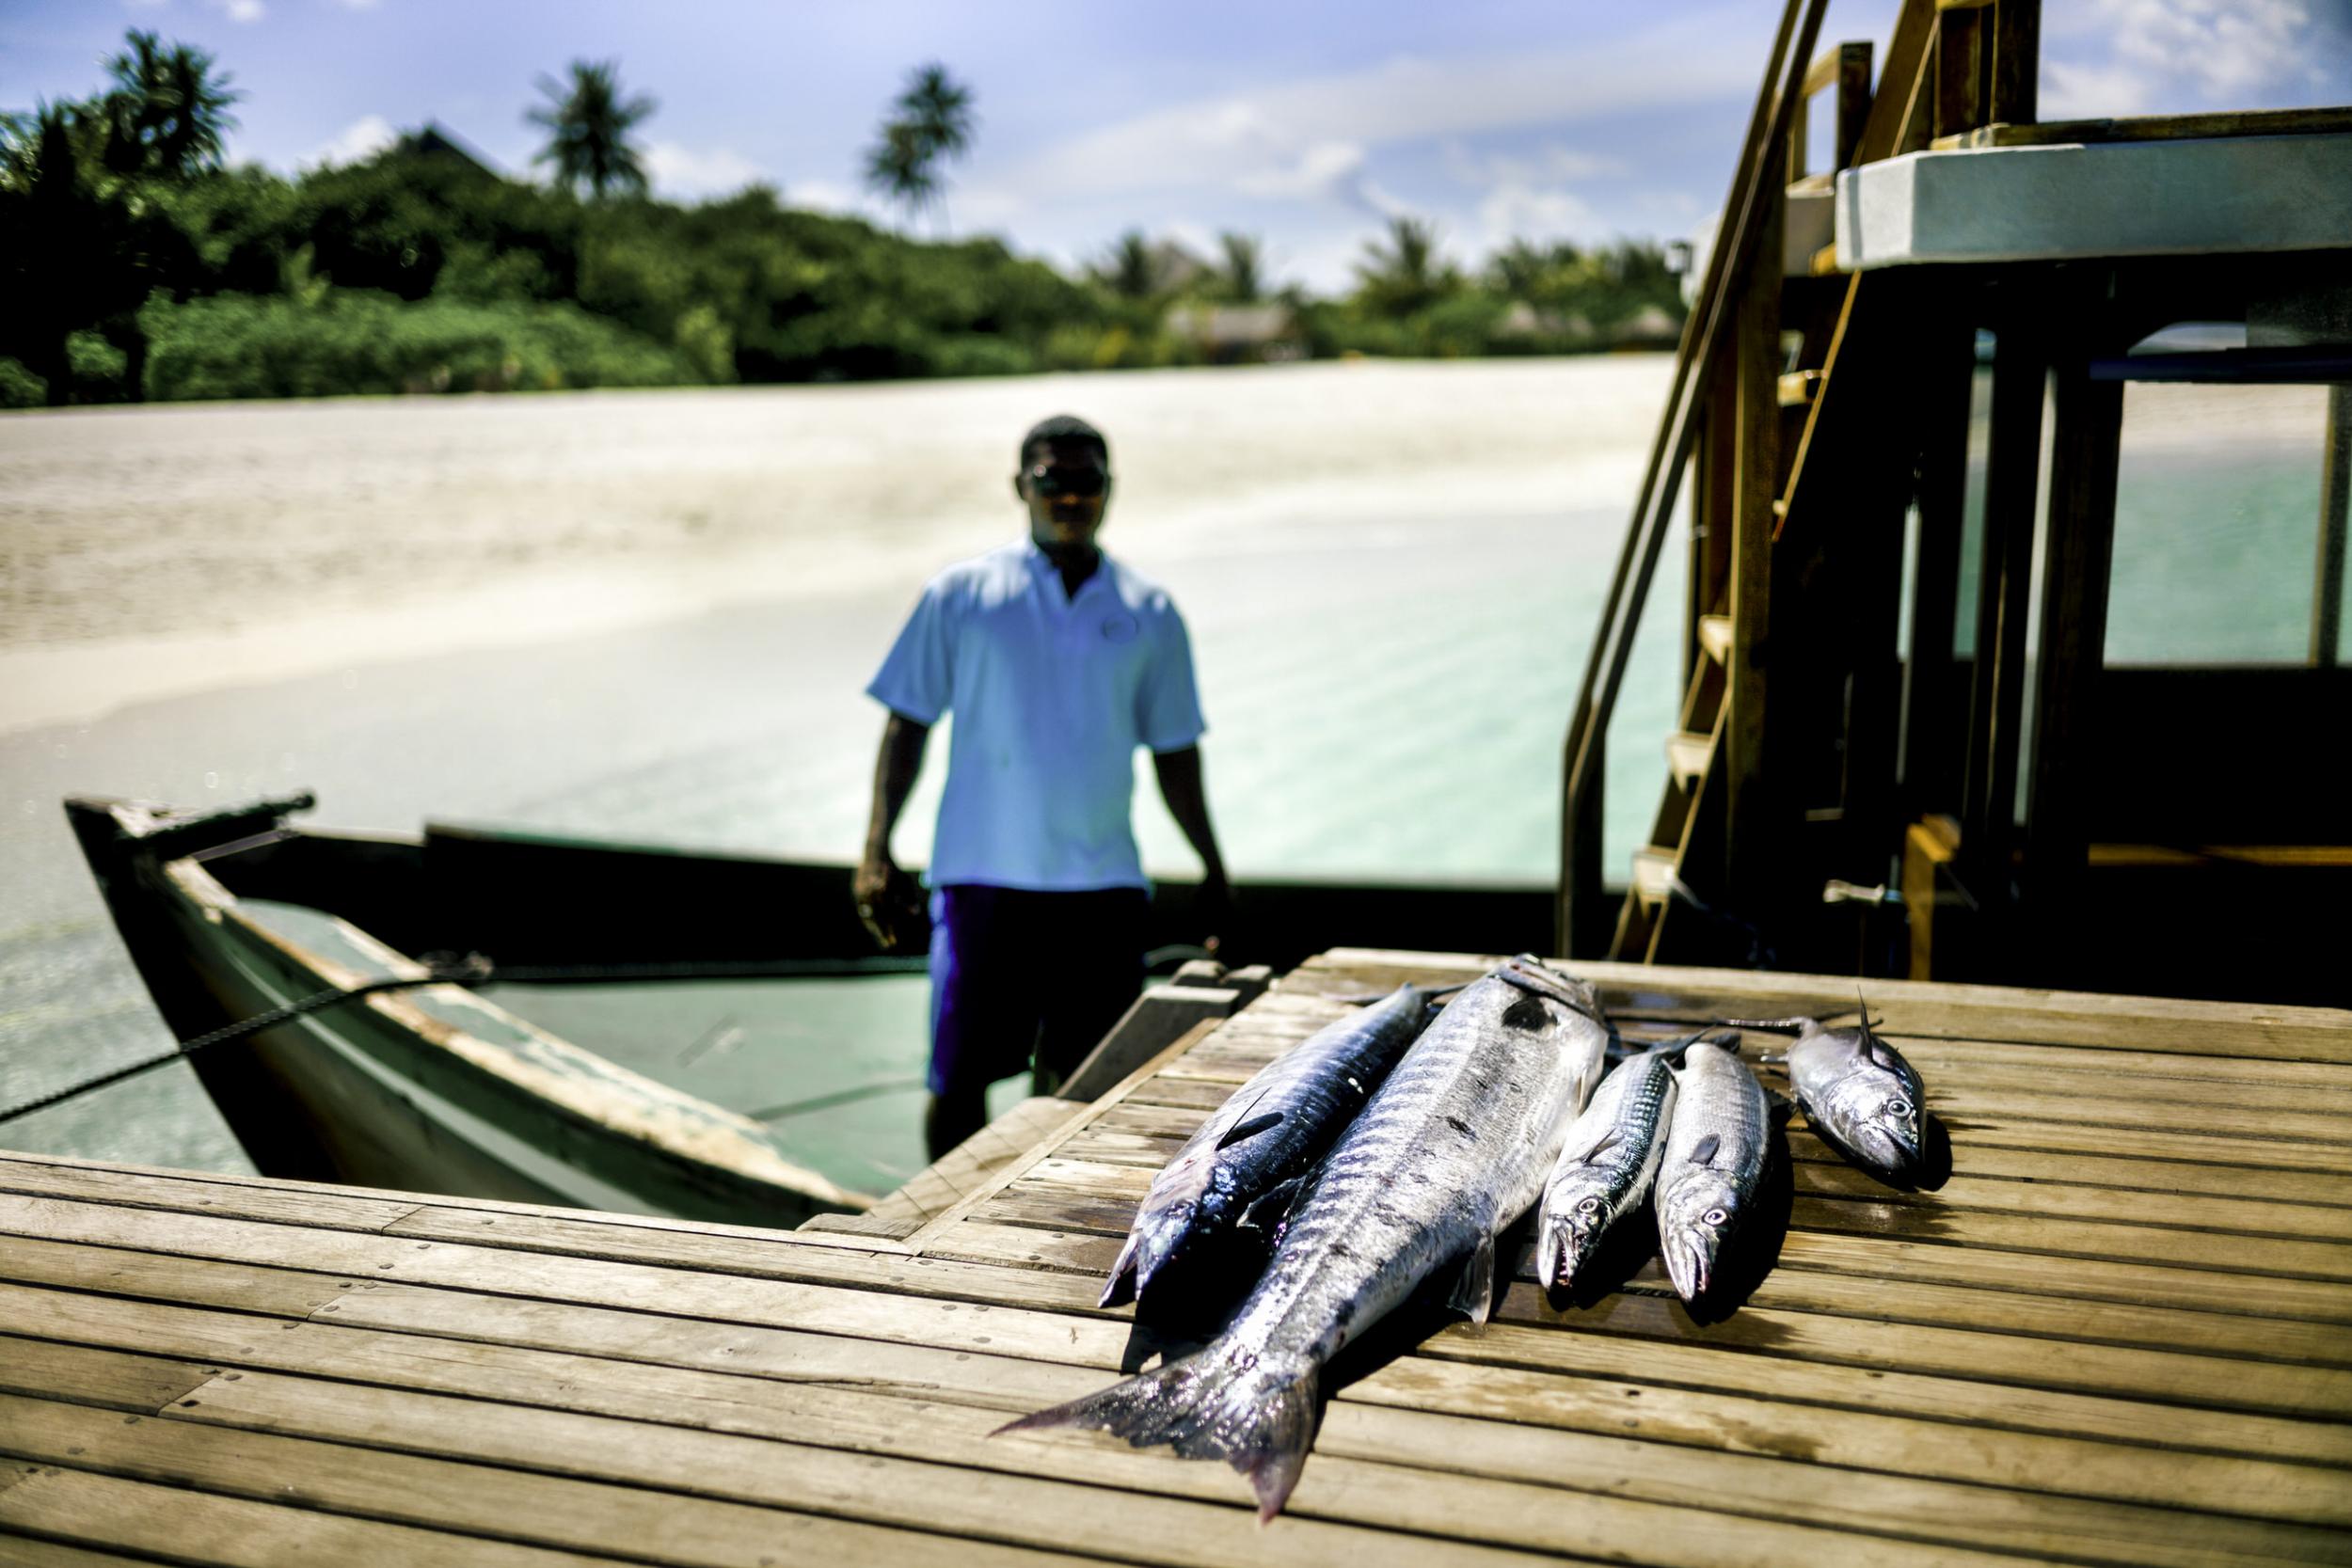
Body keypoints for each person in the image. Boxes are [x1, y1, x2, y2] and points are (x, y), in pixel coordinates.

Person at [857, 414, 1231, 1160]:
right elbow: (908, 725)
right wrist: (876, 851)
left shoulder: (1148, 610)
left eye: (1086, 481)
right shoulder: (961, 594)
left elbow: (1174, 752)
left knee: (1087, 1087)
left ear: (1108, 490)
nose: (1069, 497)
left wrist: (1212, 866)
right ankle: (939, 1241)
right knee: (959, 1079)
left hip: (1103, 887)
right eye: (1052, 480)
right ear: (1020, 487)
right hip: (980, 879)